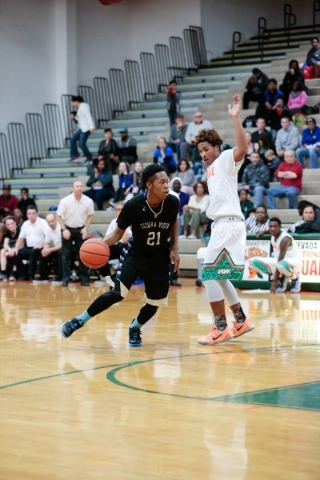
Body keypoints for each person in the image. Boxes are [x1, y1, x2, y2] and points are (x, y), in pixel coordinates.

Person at [60, 164, 180, 347]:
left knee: (155, 302)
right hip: (135, 254)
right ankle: (79, 320)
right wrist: (99, 244)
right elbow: (117, 234)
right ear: (149, 185)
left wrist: (175, 248)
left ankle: (135, 327)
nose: (166, 186)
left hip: (159, 257)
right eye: (162, 182)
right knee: (117, 293)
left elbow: (173, 222)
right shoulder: (133, 205)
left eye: (167, 182)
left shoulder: (172, 202)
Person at [194, 94, 255, 346]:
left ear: (217, 147)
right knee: (218, 275)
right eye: (199, 151)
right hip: (223, 224)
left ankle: (221, 327)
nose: (203, 154)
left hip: (228, 223)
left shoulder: (227, 158)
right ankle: (240, 320)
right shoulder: (209, 170)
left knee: (208, 274)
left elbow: (243, 148)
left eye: (206, 149)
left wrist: (236, 117)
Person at [56, 181, 94, 286]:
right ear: (72, 188)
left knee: (83, 254)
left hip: (81, 229)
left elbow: (91, 215)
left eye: (81, 186)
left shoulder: (88, 201)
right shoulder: (65, 201)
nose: (79, 188)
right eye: (77, 186)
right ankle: (65, 278)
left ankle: (84, 278)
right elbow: (58, 216)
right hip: (67, 228)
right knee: (66, 254)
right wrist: (64, 229)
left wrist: (86, 228)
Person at [251, 217, 302, 293]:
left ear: (280, 227)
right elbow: (270, 230)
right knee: (254, 262)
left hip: (294, 263)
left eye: (275, 226)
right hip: (280, 263)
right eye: (270, 226)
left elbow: (280, 261)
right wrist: (263, 232)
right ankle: (282, 277)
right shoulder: (273, 233)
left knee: (281, 265)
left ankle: (295, 278)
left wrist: (273, 284)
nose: (272, 229)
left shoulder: (285, 239)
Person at [93, 202, 132, 286]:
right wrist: (102, 241)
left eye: (122, 209)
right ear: (115, 211)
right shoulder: (113, 221)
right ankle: (107, 277)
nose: (120, 211)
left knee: (121, 247)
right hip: (115, 245)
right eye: (118, 209)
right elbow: (107, 237)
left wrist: (122, 223)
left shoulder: (130, 221)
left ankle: (125, 277)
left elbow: (125, 240)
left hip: (126, 247)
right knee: (100, 252)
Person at [15, 206, 48, 281]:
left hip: (40, 247)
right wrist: (16, 248)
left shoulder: (43, 222)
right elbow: (20, 238)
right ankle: (23, 274)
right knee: (16, 253)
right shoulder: (25, 224)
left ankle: (31, 275)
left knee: (33, 252)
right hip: (29, 247)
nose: (31, 215)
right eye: (29, 214)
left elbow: (48, 236)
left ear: (37, 214)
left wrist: (42, 245)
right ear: (27, 215)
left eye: (33, 213)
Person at [35, 214, 62, 284]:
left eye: (52, 221)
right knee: (43, 253)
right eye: (48, 222)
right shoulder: (48, 229)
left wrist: (50, 250)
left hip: (65, 249)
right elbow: (47, 242)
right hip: (56, 249)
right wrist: (45, 249)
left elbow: (64, 245)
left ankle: (60, 277)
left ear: (56, 219)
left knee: (61, 252)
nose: (50, 223)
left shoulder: (61, 227)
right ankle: (43, 277)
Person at [70, 95, 95, 162]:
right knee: (73, 140)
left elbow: (88, 116)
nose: (72, 105)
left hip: (86, 129)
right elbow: (80, 121)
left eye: (72, 103)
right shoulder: (80, 108)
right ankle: (74, 156)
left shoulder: (84, 107)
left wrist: (91, 127)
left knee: (81, 144)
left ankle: (89, 157)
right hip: (82, 128)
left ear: (76, 101)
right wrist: (74, 120)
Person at [0, 216, 21, 281]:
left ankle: (13, 274)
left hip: (19, 247)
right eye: (8, 224)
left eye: (12, 223)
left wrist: (12, 251)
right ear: (6, 225)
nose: (10, 226)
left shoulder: (19, 230)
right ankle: (3, 272)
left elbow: (19, 244)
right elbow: (5, 244)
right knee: (2, 251)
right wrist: (9, 250)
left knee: (15, 252)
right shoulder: (8, 232)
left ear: (15, 223)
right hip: (12, 248)